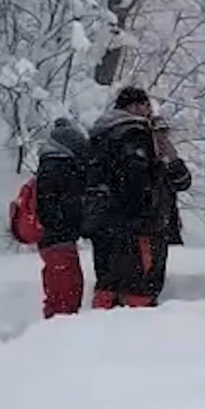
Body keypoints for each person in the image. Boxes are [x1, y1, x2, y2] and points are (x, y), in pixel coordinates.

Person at [84, 86, 167, 308]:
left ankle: (97, 321)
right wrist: (146, 211)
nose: (149, 111)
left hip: (102, 221)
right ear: (135, 106)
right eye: (146, 105)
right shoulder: (134, 133)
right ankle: (137, 325)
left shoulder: (99, 134)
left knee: (107, 282)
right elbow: (136, 177)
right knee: (138, 285)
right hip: (132, 223)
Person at [35, 117, 91, 318]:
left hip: (55, 238)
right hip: (59, 238)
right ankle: (58, 328)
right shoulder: (58, 168)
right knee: (66, 291)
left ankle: (56, 325)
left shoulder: (50, 165)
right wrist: (68, 224)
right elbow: (52, 205)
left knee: (62, 290)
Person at [151, 115, 192, 248]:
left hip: (164, 226)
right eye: (158, 133)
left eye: (165, 133)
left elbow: (184, 183)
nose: (163, 138)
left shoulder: (169, 162)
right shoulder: (143, 160)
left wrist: (173, 161)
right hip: (148, 227)